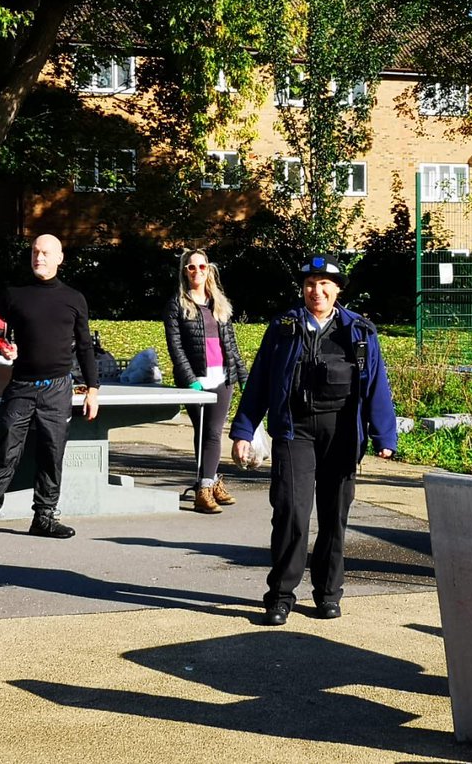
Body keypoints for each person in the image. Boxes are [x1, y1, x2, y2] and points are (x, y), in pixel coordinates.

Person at [229, 253, 397, 626]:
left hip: (341, 432)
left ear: (337, 290)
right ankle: (281, 595)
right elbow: (259, 381)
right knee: (291, 512)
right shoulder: (283, 327)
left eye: (324, 285)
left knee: (334, 517)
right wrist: (243, 430)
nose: (316, 291)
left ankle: (327, 593)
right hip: (294, 430)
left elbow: (376, 386)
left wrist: (385, 433)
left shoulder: (360, 330)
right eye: (309, 285)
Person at [0, 234, 100, 543]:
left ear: (59, 258)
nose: (39, 257)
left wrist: (92, 389)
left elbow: (85, 348)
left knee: (52, 455)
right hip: (21, 387)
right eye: (35, 252)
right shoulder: (15, 295)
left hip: (58, 389)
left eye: (46, 253)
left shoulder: (74, 299)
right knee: (4, 455)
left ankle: (44, 516)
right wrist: (3, 347)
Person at [163, 248, 248, 514]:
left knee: (212, 432)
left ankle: (208, 483)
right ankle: (205, 488)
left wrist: (243, 376)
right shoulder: (177, 304)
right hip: (196, 380)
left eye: (202, 267)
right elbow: (175, 348)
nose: (197, 271)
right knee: (205, 433)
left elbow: (230, 344)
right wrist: (190, 380)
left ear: (209, 269)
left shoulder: (218, 302)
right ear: (184, 271)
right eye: (191, 267)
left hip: (222, 377)